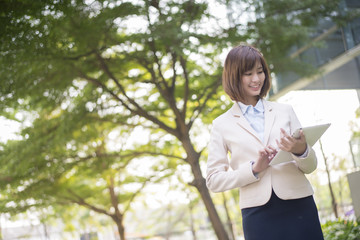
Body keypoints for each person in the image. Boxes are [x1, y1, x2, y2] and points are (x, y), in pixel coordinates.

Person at [206, 44, 324, 240]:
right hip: (257, 213)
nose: (256, 79)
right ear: (234, 76)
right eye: (248, 73)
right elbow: (213, 180)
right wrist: (253, 169)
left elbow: (310, 166)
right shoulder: (221, 124)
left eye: (260, 72)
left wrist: (301, 150)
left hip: (299, 203)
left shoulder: (285, 111)